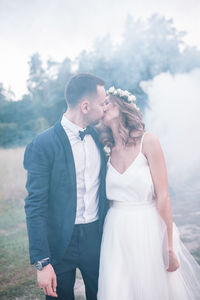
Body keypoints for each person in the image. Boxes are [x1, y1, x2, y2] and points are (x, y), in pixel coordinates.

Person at [97, 87, 200, 300]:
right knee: (119, 289)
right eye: (102, 103)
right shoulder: (105, 149)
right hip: (116, 229)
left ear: (122, 106)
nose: (103, 106)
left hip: (148, 226)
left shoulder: (148, 141)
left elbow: (163, 196)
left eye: (108, 102)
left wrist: (169, 246)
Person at [24, 73, 109, 300]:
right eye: (102, 104)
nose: (105, 109)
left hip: (97, 237)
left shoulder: (103, 137)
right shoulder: (43, 144)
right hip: (60, 242)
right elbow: (35, 205)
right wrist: (42, 263)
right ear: (85, 106)